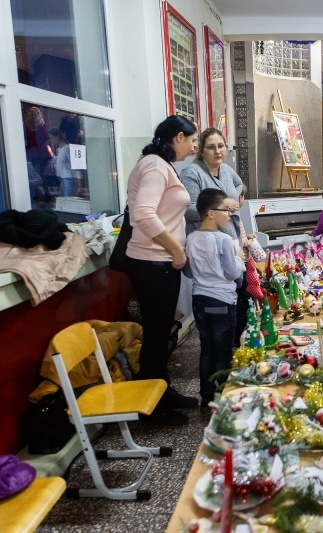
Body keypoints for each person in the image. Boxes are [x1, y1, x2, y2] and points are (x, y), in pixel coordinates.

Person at [124, 115, 199, 425]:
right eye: (192, 140)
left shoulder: (160, 164)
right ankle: (152, 408)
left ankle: (162, 391)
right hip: (152, 262)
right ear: (178, 137)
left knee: (160, 331)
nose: (193, 147)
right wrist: (176, 249)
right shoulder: (155, 166)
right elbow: (143, 214)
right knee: (156, 335)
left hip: (159, 262)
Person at [178, 127, 250, 350]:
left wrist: (237, 197)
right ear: (201, 150)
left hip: (232, 239)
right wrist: (224, 206)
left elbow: (241, 184)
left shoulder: (226, 170)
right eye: (211, 147)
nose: (217, 151)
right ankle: (226, 352)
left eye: (221, 146)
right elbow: (189, 209)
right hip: (209, 246)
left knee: (240, 295)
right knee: (221, 304)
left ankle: (238, 348)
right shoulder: (192, 173)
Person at [185, 188, 245, 403]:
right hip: (222, 301)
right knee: (224, 352)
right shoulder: (224, 240)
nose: (229, 214)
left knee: (207, 349)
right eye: (226, 210)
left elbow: (188, 272)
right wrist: (239, 258)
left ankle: (206, 395)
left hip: (199, 300)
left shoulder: (191, 238)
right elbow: (232, 273)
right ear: (211, 213)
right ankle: (224, 398)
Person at [47, 128, 76, 197]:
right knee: (62, 199)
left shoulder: (67, 148)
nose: (51, 140)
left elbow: (74, 163)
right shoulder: (60, 149)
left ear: (57, 136)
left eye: (51, 138)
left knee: (67, 200)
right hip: (62, 178)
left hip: (68, 178)